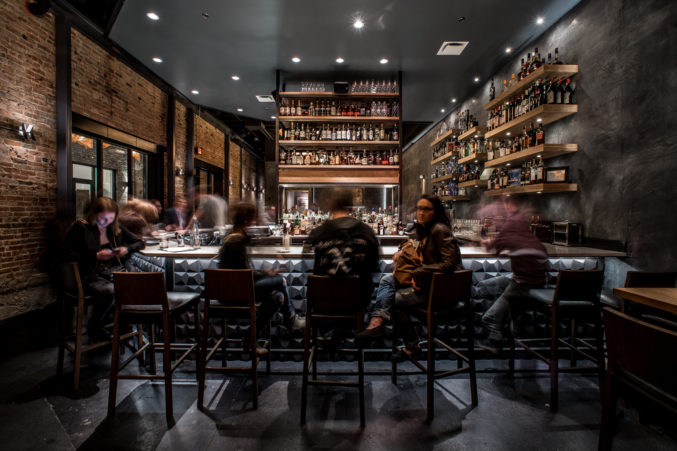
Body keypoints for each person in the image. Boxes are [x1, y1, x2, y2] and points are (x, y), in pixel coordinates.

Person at [217, 202, 301, 354]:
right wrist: (265, 273)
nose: (255, 221)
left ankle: (250, 338)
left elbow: (241, 270)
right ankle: (290, 317)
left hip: (230, 288)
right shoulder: (237, 241)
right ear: (247, 220)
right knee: (280, 280)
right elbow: (242, 274)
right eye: (253, 218)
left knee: (278, 298)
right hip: (238, 290)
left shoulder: (234, 235)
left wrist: (264, 271)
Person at [389, 195, 463, 361]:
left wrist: (419, 272)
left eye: (426, 209)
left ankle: (412, 345)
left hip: (443, 294)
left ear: (435, 211)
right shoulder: (429, 229)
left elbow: (450, 264)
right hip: (435, 288)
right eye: (419, 208)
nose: (421, 213)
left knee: (392, 300)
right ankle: (412, 344)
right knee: (393, 291)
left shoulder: (439, 229)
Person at [61, 197, 145, 341]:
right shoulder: (81, 228)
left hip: (112, 272)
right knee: (111, 290)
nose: (106, 222)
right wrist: (95, 256)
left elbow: (139, 242)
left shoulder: (115, 227)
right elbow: (65, 254)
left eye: (110, 218)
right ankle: (95, 326)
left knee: (138, 284)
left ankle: (123, 324)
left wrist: (126, 249)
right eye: (102, 218)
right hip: (89, 275)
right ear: (94, 214)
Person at [477, 196, 547, 354]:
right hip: (535, 277)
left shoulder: (512, 222)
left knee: (487, 317)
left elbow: (494, 246)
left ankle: (495, 338)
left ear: (507, 204)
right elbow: (518, 243)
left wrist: (488, 243)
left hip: (524, 281)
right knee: (484, 285)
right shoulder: (521, 220)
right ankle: (507, 321)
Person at [308, 189, 379, 305]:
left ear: (330, 205)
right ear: (351, 207)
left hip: (323, 300)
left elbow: (305, 254)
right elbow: (375, 265)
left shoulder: (319, 232)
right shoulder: (366, 232)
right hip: (357, 301)